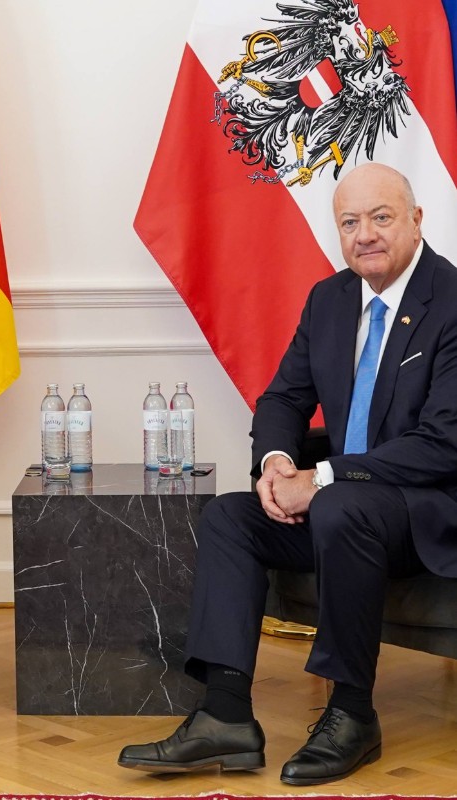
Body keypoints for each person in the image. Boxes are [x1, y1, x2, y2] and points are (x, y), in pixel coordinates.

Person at [118, 162, 457, 785]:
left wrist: (321, 477)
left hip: (424, 512)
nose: (365, 234)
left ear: (416, 220)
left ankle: (352, 714)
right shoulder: (330, 300)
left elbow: (442, 444)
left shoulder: (452, 300)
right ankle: (224, 715)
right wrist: (277, 463)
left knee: (340, 505)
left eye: (381, 217)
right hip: (342, 511)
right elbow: (282, 399)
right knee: (229, 515)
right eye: (349, 223)